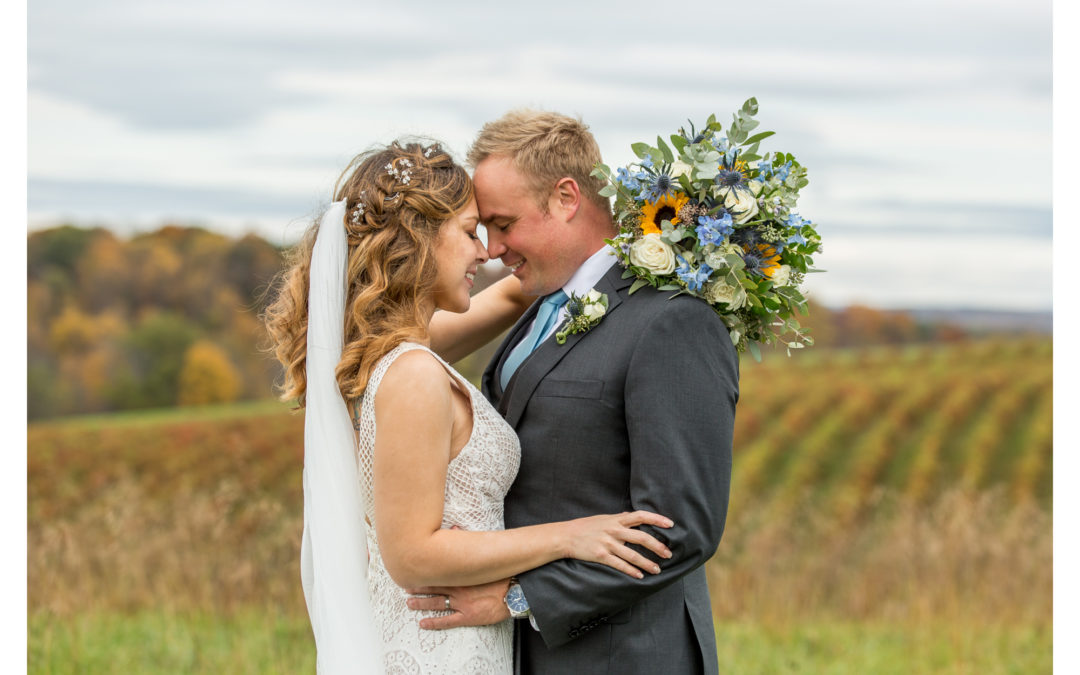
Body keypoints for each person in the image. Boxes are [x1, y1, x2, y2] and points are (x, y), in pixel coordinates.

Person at [263, 140, 675, 674]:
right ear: (418, 240)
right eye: (469, 232)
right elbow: (412, 556)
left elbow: (512, 294)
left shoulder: (383, 353)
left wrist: (656, 236)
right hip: (437, 646)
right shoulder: (410, 372)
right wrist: (572, 536)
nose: (486, 252)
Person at [405, 112, 739, 674]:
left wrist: (517, 598)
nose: (492, 248)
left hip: (623, 657)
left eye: (504, 224)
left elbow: (679, 528)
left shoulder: (672, 321)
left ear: (565, 198)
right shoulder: (536, 304)